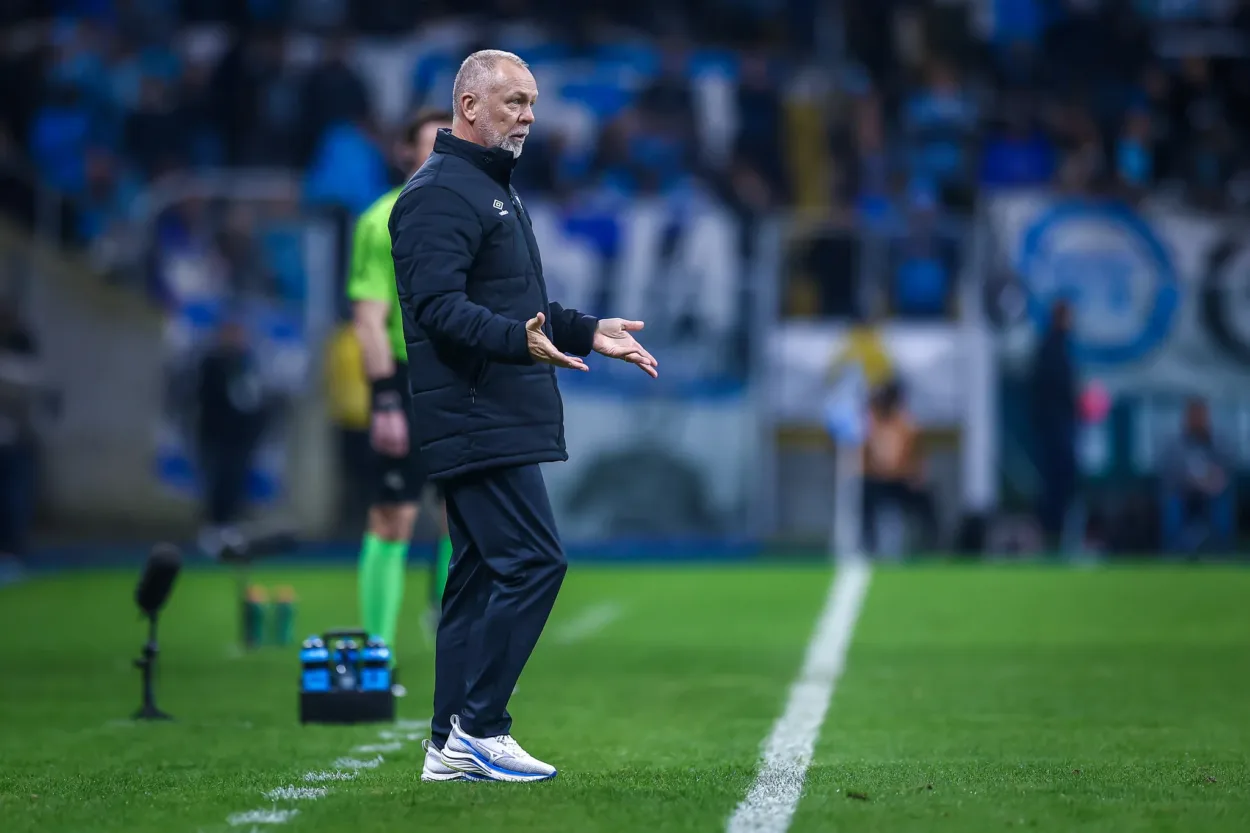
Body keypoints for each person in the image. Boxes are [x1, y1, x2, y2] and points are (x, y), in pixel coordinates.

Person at [389, 49, 657, 783]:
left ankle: (446, 745)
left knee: (477, 577)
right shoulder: (440, 193)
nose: (529, 117)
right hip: (476, 411)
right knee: (536, 561)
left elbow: (520, 307)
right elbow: (438, 309)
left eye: (533, 103)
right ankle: (480, 728)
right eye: (515, 102)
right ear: (469, 106)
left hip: (488, 408)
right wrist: (518, 341)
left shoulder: (487, 188)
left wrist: (588, 330)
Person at [347, 107, 454, 662]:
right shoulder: (380, 220)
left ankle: (451, 634)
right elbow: (368, 319)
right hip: (406, 379)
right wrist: (385, 398)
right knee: (394, 514)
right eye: (431, 142)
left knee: (463, 516)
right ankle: (376, 653)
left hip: (461, 378)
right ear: (405, 152)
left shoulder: (473, 212)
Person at [195, 316, 268, 555]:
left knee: (235, 481)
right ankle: (213, 529)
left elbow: (254, 399)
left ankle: (228, 526)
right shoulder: (213, 364)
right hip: (218, 434)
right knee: (219, 481)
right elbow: (208, 400)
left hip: (241, 436)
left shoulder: (247, 364)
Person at [861, 379, 937, 557]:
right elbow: (865, 460)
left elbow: (917, 458)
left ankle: (930, 547)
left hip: (901, 482)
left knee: (926, 500)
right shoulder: (870, 425)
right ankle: (868, 546)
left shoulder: (907, 425)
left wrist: (914, 476)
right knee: (863, 497)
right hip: (877, 482)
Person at [1029, 298, 1078, 552]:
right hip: (1054, 428)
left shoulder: (1058, 347)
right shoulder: (1051, 348)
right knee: (1054, 485)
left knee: (1059, 485)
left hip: (1057, 426)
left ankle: (1056, 536)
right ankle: (1051, 537)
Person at [1161, 398, 1233, 556]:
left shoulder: (1218, 442)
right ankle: (1173, 554)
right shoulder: (1176, 444)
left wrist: (1212, 484)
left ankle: (1221, 552)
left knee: (1222, 504)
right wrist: (1197, 482)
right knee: (1172, 505)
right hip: (1183, 494)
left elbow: (1224, 472)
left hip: (1211, 493)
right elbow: (1174, 475)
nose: (1198, 419)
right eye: (1194, 414)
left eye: (1201, 415)